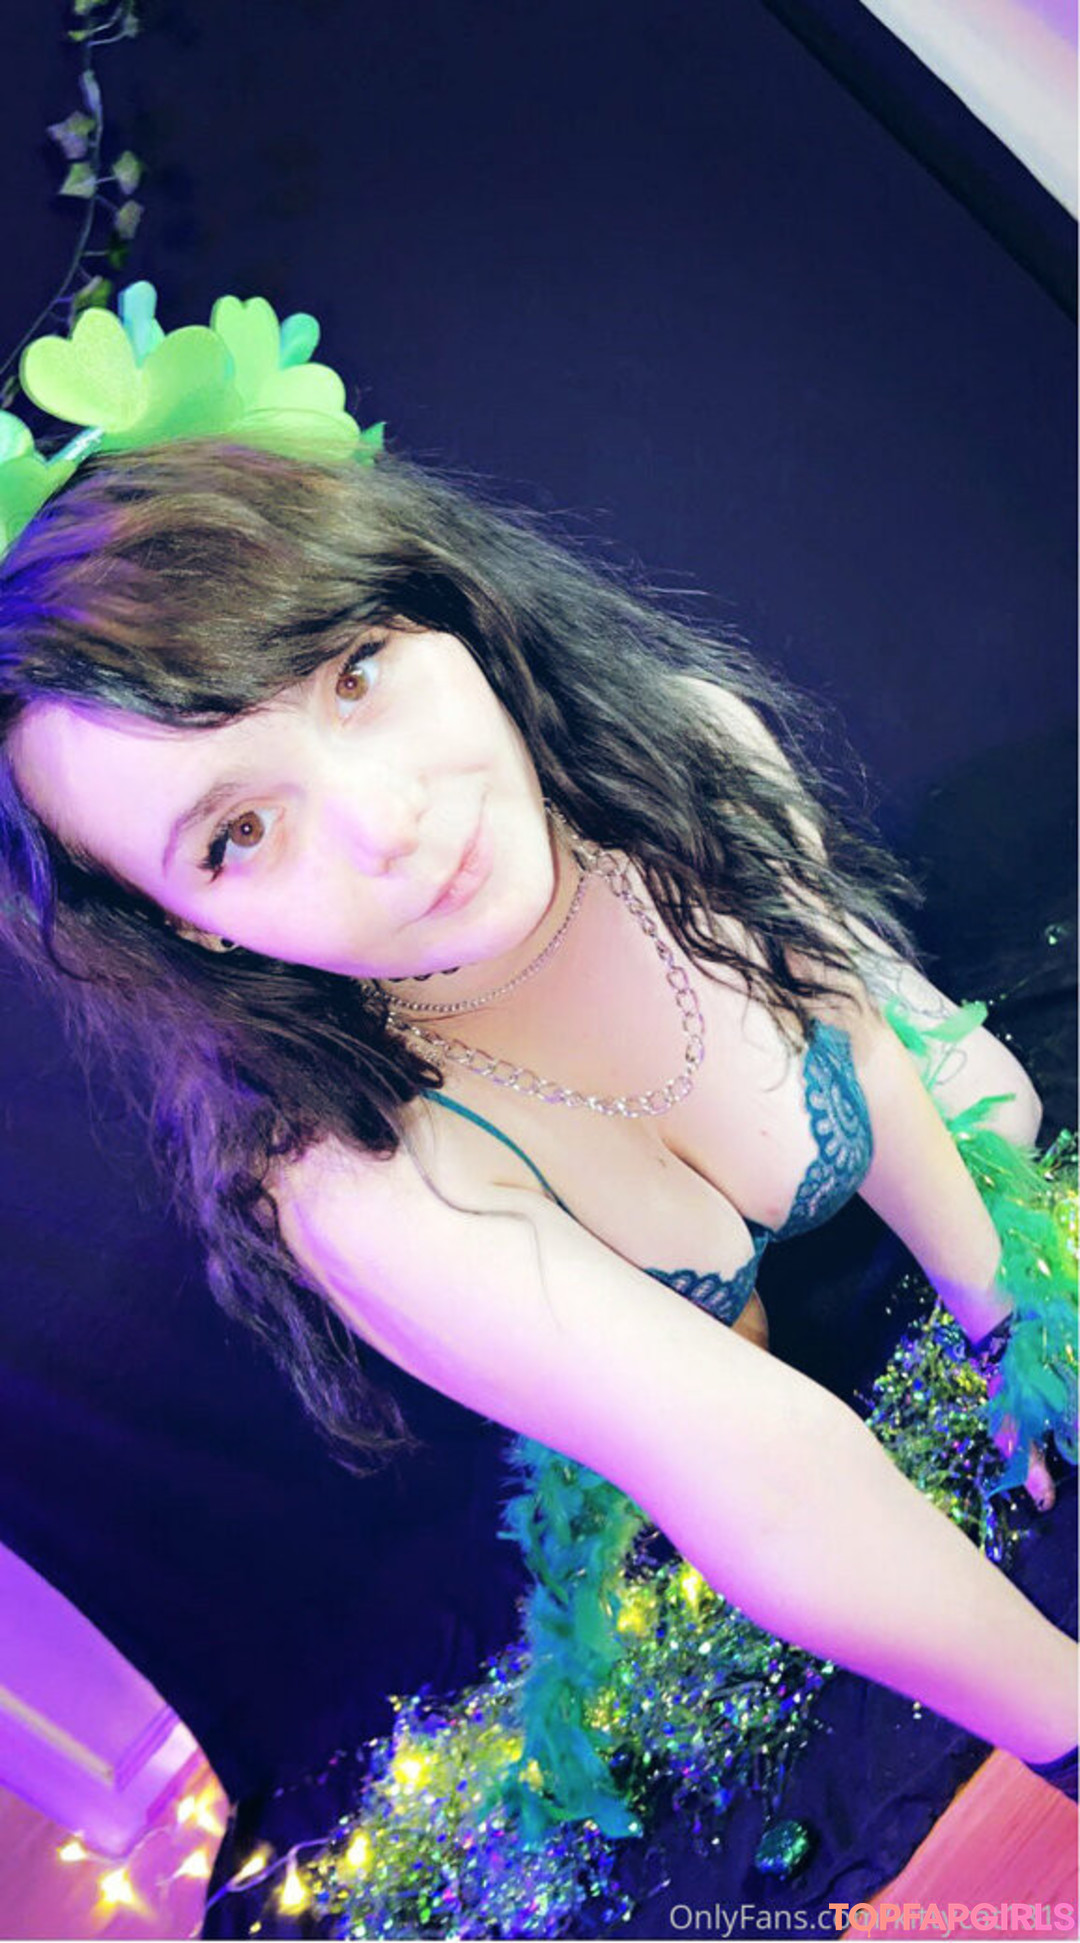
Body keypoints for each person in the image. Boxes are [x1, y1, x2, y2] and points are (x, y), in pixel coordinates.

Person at [0, 291, 1075, 1843]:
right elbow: (761, 1468)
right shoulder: (370, 1183)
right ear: (188, 926)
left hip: (881, 1088)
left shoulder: (689, 757)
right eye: (238, 833)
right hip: (672, 1385)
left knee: (996, 1112)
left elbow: (853, 1031)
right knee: (731, 1495)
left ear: (441, 609)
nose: (391, 822)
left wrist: (1006, 1318)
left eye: (355, 670)